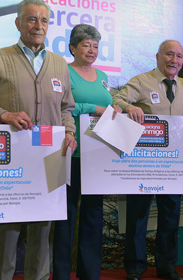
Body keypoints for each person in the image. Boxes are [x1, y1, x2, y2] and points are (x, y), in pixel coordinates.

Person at [0, 0, 77, 280]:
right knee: (8, 226)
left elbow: (67, 108)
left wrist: (69, 131)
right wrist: (4, 115)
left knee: (43, 228)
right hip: (12, 159)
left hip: (52, 157)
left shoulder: (59, 64)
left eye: (44, 20)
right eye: (31, 19)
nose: (38, 25)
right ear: (18, 23)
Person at [112, 40, 183, 280]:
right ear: (158, 56)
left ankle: (167, 267)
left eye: (179, 56)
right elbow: (116, 100)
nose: (174, 60)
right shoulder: (141, 81)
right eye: (169, 54)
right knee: (138, 216)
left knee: (171, 215)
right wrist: (128, 107)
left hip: (173, 163)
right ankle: (134, 268)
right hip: (143, 163)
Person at [52, 24, 121, 280]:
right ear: (72, 48)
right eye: (86, 45)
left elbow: (110, 103)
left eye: (95, 45)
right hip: (71, 152)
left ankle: (89, 273)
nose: (92, 50)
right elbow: (62, 106)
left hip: (98, 154)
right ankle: (60, 273)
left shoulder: (102, 75)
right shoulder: (64, 73)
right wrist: (94, 107)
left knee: (93, 216)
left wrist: (117, 109)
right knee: (65, 216)